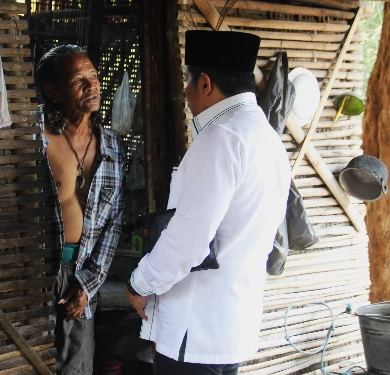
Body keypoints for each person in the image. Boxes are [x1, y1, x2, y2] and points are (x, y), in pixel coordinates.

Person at [125, 30, 291, 374]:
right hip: (230, 322)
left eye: (187, 81)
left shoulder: (222, 137)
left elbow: (189, 240)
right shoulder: (267, 137)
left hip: (196, 329)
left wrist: (140, 283)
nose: (185, 93)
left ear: (204, 83)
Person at [34, 45, 126, 374]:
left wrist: (88, 286)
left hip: (83, 273)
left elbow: (113, 224)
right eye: (78, 80)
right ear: (53, 93)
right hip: (35, 275)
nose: (92, 85)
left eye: (93, 77)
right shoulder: (32, 139)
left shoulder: (112, 146)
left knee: (76, 367)